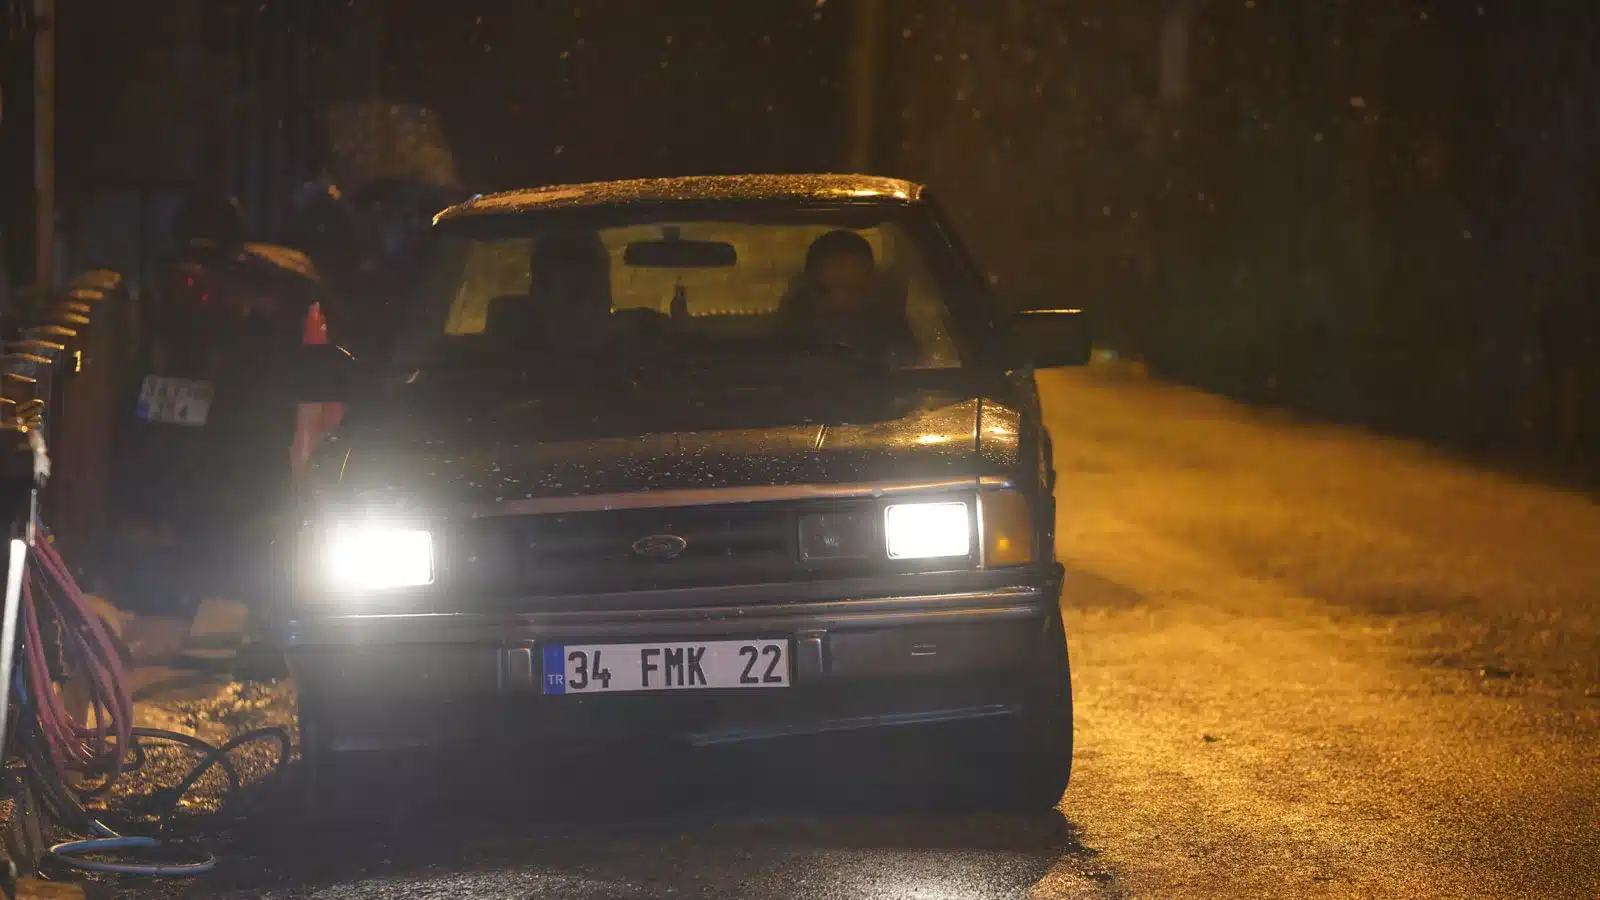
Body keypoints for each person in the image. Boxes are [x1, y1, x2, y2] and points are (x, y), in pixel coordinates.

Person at [776, 229, 913, 360]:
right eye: (825, 290)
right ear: (808, 289)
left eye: (855, 290)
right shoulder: (780, 350)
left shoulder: (898, 347)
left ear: (872, 287)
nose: (840, 303)